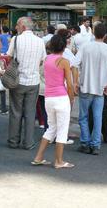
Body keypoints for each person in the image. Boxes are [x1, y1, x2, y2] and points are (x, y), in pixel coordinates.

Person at [74, 23, 107, 155]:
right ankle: (95, 145)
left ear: (93, 33)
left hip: (86, 86)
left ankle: (85, 142)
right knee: (98, 116)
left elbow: (75, 65)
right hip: (101, 88)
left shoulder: (85, 47)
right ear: (105, 35)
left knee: (83, 117)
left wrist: (76, 82)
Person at [32, 35, 75, 169]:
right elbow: (69, 83)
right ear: (64, 46)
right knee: (62, 130)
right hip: (61, 97)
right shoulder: (64, 61)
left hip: (48, 97)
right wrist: (71, 98)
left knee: (51, 128)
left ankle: (38, 157)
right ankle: (59, 161)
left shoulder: (47, 59)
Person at [6, 17, 46, 149]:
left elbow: (9, 56)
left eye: (17, 25)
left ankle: (13, 141)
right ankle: (28, 142)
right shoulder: (40, 41)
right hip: (33, 81)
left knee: (16, 111)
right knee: (30, 112)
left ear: (23, 26)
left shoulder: (16, 39)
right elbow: (42, 60)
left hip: (18, 80)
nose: (16, 27)